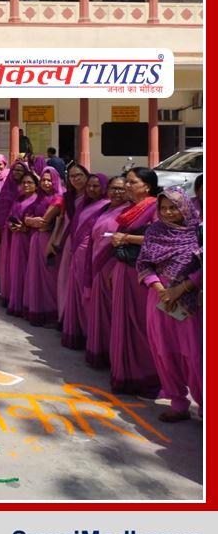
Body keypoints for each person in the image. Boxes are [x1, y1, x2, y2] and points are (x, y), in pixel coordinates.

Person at [137, 187, 202, 422]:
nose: (168, 212)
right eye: (163, 208)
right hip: (159, 298)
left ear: (184, 206)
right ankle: (178, 402)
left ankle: (205, 405)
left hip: (189, 300)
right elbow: (144, 263)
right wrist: (160, 289)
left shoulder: (199, 232)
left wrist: (180, 289)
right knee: (163, 351)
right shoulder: (155, 230)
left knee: (194, 354)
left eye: (173, 207)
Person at [108, 167, 161, 397]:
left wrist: (126, 238)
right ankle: (124, 373)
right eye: (126, 182)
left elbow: (160, 237)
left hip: (140, 272)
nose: (127, 186)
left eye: (132, 183)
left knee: (138, 324)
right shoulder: (131, 209)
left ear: (146, 186)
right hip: (122, 268)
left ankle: (145, 376)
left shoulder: (155, 207)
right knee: (122, 321)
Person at [83, 176, 129, 369]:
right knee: (99, 310)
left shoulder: (129, 212)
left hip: (112, 264)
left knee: (112, 312)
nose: (116, 192)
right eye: (113, 188)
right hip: (96, 263)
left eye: (120, 189)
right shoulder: (104, 209)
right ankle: (100, 350)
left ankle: (115, 354)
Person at [61, 173, 108, 349]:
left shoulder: (106, 206)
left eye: (96, 186)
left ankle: (91, 333)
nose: (91, 189)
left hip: (89, 255)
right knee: (76, 292)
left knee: (86, 295)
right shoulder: (84, 204)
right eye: (89, 186)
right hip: (77, 252)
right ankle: (78, 331)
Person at [22, 166, 65, 326]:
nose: (46, 183)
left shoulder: (58, 198)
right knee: (35, 275)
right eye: (43, 180)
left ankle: (52, 314)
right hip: (36, 239)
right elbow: (27, 218)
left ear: (55, 181)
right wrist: (30, 220)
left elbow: (44, 222)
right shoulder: (39, 198)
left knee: (49, 278)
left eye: (49, 180)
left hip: (49, 240)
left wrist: (31, 221)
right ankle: (38, 311)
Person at [53, 163, 88, 320]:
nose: (76, 179)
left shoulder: (92, 198)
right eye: (72, 176)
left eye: (79, 175)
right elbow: (63, 220)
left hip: (85, 244)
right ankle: (65, 316)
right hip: (68, 241)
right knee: (65, 278)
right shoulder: (68, 198)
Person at [0, 161, 28, 305]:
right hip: (7, 230)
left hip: (23, 232)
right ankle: (8, 295)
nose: (17, 172)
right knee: (8, 263)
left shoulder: (28, 187)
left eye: (20, 170)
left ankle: (21, 297)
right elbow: (0, 207)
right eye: (15, 170)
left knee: (21, 264)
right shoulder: (8, 187)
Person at [5, 171, 42, 317]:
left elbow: (41, 220)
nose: (26, 185)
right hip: (16, 239)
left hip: (30, 239)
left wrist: (26, 227)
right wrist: (11, 225)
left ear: (36, 185)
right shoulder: (18, 199)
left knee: (29, 271)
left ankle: (27, 304)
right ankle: (17, 303)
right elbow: (10, 217)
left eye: (30, 183)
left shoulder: (38, 200)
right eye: (24, 183)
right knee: (17, 270)